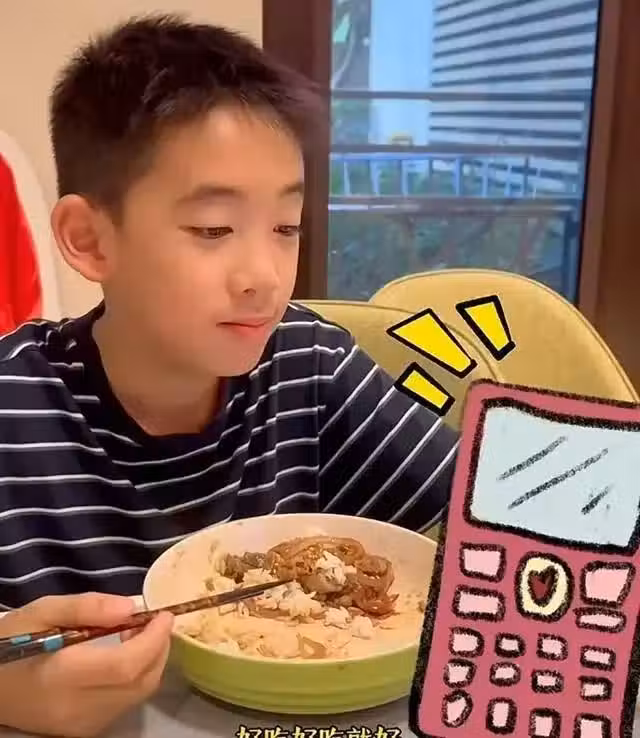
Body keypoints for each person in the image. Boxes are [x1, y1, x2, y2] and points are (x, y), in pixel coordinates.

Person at [0, 14, 459, 736]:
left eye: (286, 227)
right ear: (89, 240)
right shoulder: (15, 410)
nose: (264, 277)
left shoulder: (308, 363)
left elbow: (495, 512)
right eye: (213, 229)